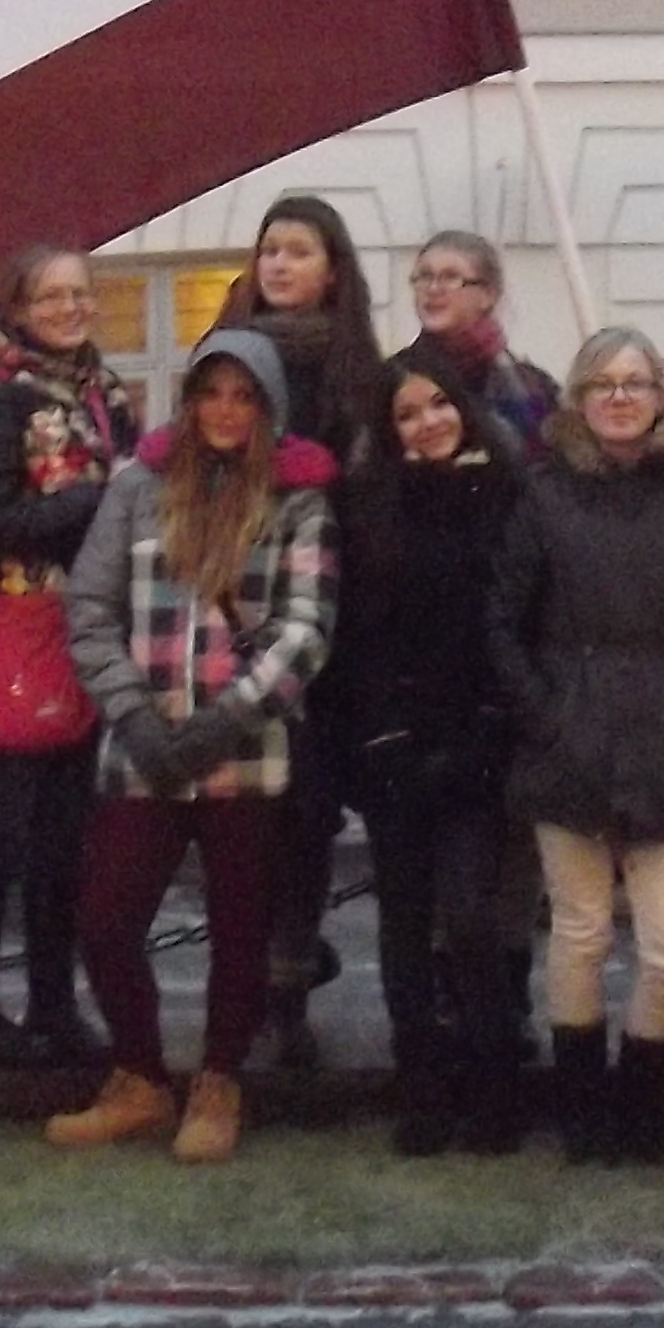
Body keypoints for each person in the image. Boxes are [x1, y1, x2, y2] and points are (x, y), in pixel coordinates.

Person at [44, 329, 341, 1166]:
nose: (226, 411)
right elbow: (90, 610)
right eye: (212, 392)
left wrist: (224, 721)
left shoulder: (299, 500)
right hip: (142, 751)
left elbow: (306, 630)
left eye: (245, 396)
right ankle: (138, 1076)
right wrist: (135, 718)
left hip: (243, 754)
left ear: (268, 407)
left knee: (240, 930)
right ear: (189, 399)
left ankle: (219, 1081)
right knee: (106, 919)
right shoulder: (136, 487)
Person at [489, 327, 664, 1166]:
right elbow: (503, 622)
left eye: (636, 382)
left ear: (661, 396)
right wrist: (547, 714)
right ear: (579, 400)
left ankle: (641, 1100)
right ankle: (582, 1108)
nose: (620, 398)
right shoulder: (543, 495)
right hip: (570, 732)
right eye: (603, 384)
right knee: (582, 933)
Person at [213, 193, 395, 1071]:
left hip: (335, 628)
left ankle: (285, 994)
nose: (279, 264)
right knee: (244, 819)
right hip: (233, 616)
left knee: (308, 816)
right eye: (270, 249)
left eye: (299, 251)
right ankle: (246, 995)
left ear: (332, 271)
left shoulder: (363, 378)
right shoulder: (226, 362)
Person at [0, 243, 132, 1071]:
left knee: (66, 838)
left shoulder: (102, 392)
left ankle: (54, 1004)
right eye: (50, 296)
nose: (69, 308)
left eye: (79, 293)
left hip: (87, 623)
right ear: (16, 308)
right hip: (16, 626)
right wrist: (92, 503)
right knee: (3, 833)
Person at [351, 361, 532, 1152]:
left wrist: (493, 723)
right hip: (395, 742)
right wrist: (382, 733)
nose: (427, 422)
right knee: (403, 919)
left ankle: (493, 1084)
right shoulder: (370, 505)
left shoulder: (506, 496)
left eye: (438, 405)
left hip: (478, 741)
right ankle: (420, 1087)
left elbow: (517, 618)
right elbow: (359, 633)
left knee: (469, 915)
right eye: (407, 413)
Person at [390, 227, 560, 456]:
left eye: (451, 277)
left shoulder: (531, 386)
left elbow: (547, 464)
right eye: (424, 277)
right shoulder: (393, 379)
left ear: (487, 294)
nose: (433, 289)